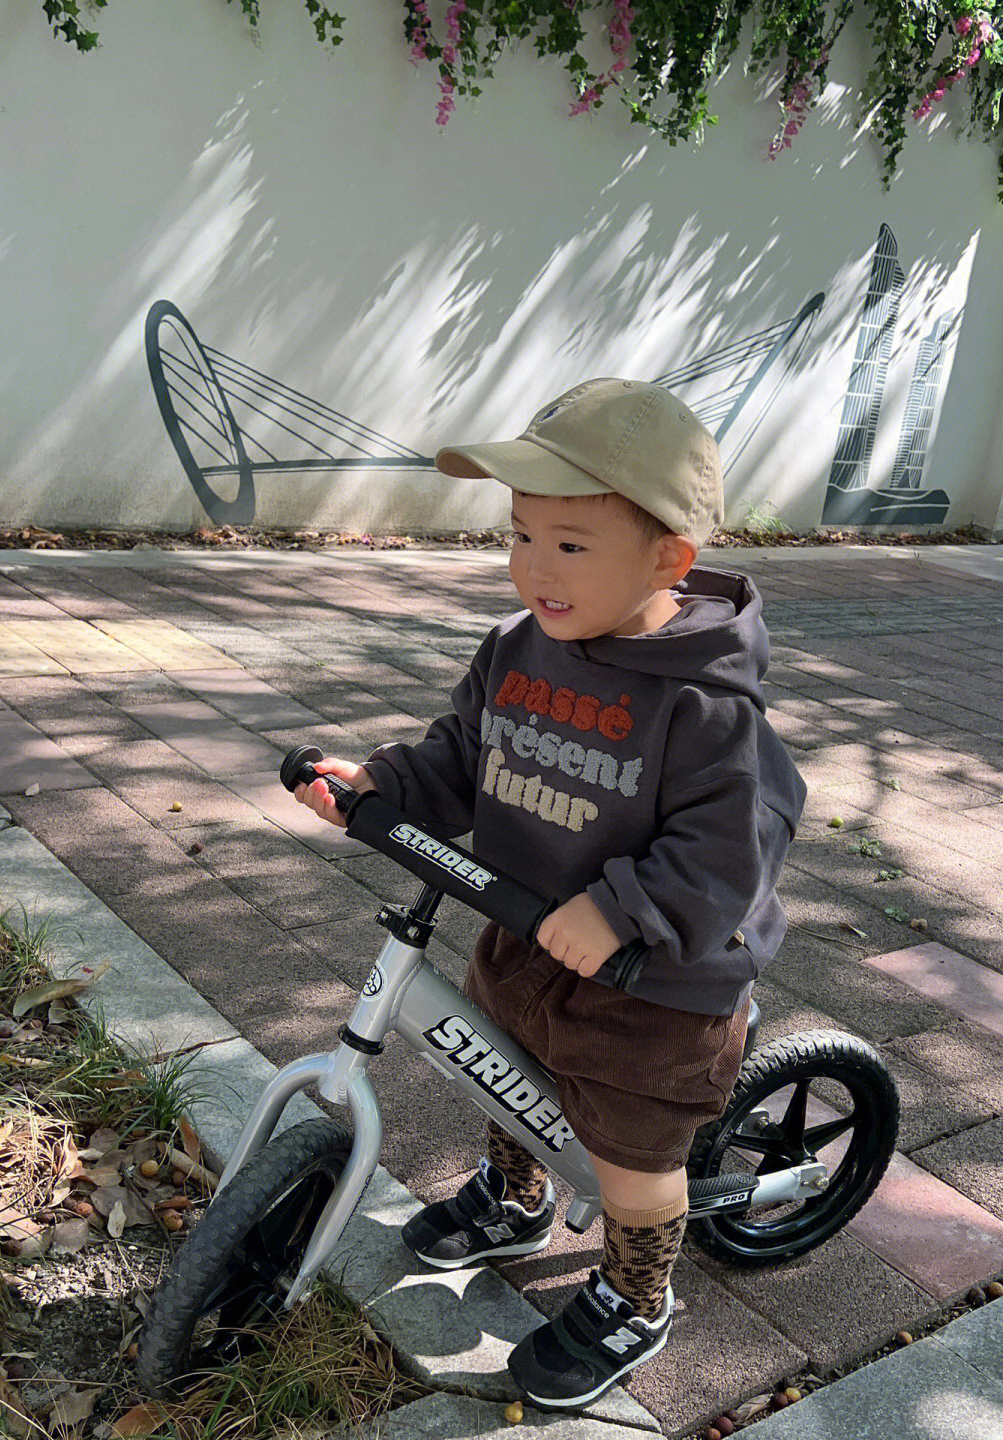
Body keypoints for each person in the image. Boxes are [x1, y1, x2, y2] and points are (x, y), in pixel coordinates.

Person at [292, 378, 807, 1409]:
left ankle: (637, 1290)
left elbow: (722, 851)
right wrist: (384, 790)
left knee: (628, 1149)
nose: (534, 567)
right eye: (521, 535)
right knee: (505, 1071)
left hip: (657, 978)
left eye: (570, 545)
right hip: (527, 927)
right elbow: (462, 757)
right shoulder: (516, 649)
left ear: (669, 557)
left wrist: (621, 909)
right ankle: (517, 1195)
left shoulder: (703, 702)